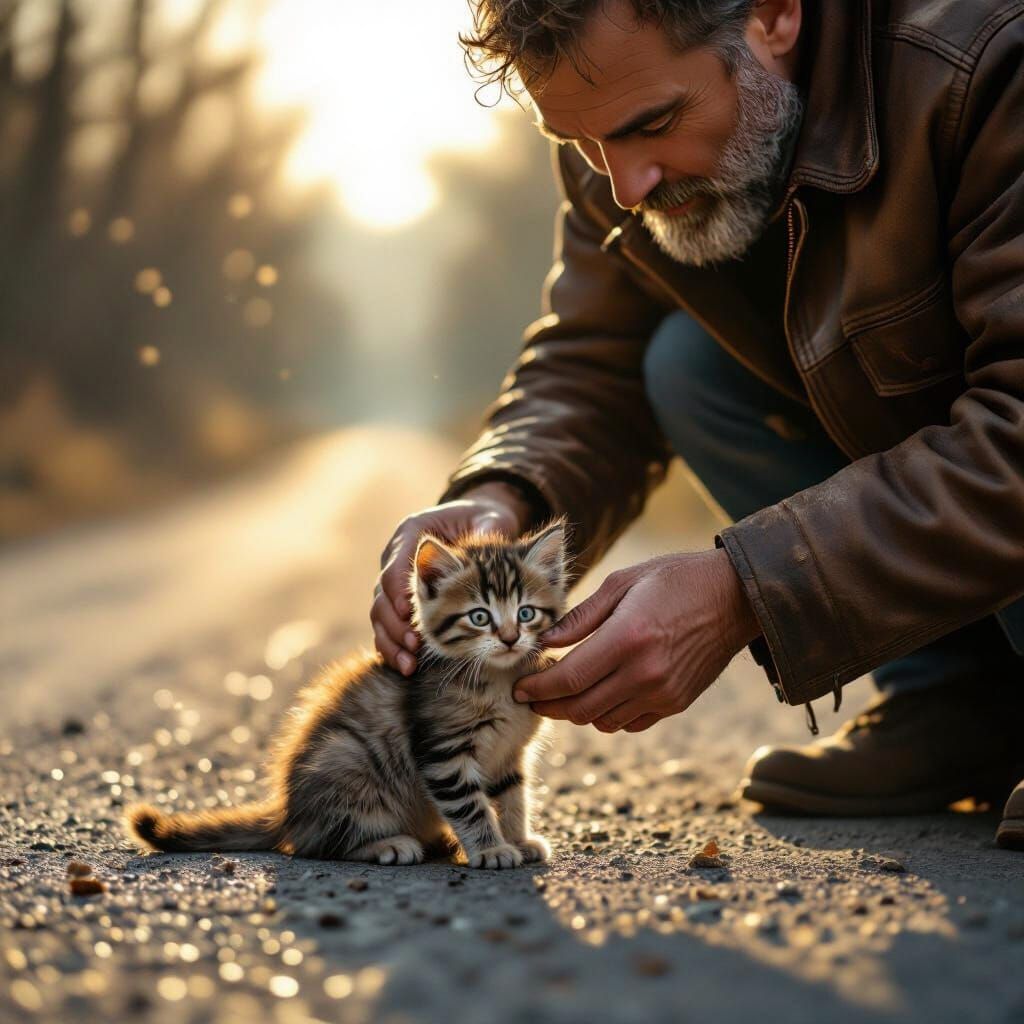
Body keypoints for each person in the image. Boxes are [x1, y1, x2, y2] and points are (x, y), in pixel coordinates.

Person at [371, 0, 1024, 849]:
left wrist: (745, 588)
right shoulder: (620, 148)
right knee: (684, 363)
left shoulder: (986, 61)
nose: (623, 185)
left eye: (652, 125)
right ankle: (962, 702)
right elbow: (595, 357)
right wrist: (502, 498)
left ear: (777, 15)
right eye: (582, 147)